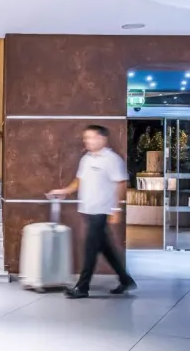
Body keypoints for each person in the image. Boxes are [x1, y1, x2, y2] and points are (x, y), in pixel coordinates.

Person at [50, 125, 137, 299]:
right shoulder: (86, 159)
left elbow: (121, 183)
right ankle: (125, 280)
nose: (87, 141)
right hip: (88, 210)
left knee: (90, 249)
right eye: (85, 138)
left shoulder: (112, 159)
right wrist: (65, 191)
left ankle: (82, 287)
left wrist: (116, 209)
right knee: (105, 248)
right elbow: (79, 180)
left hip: (101, 210)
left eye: (91, 137)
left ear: (102, 139)